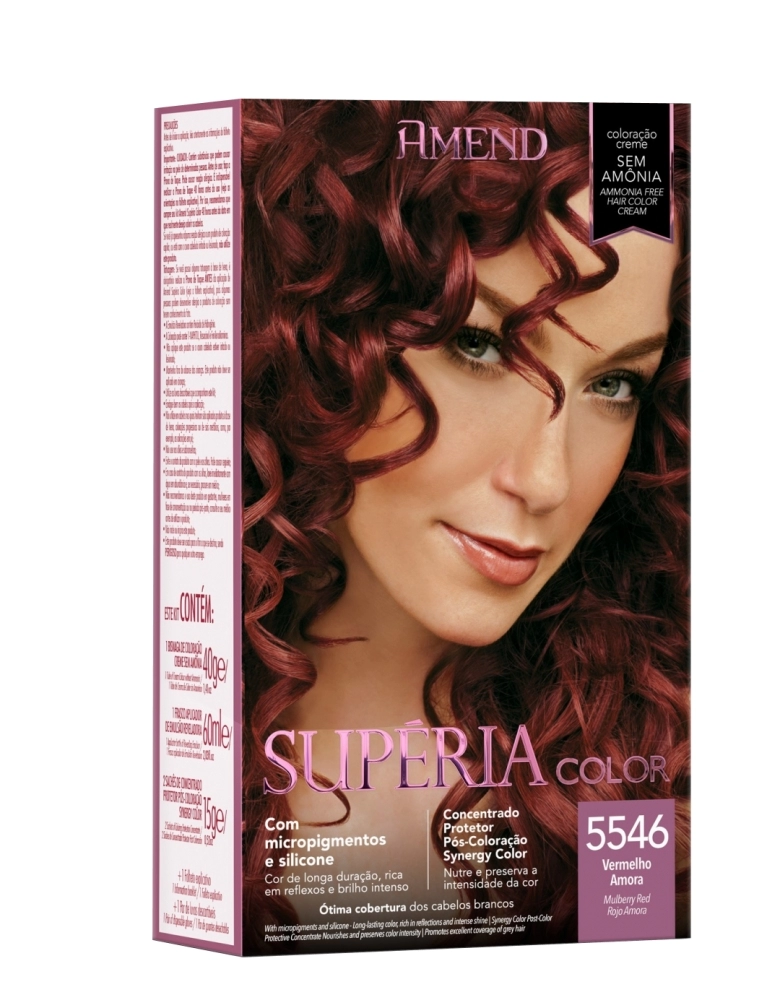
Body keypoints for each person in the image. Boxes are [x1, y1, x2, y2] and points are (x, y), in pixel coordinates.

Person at [239, 100, 690, 952]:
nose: (547, 481)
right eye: (480, 345)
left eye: (614, 385)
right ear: (319, 333)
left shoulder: (655, 773)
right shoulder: (162, 759)